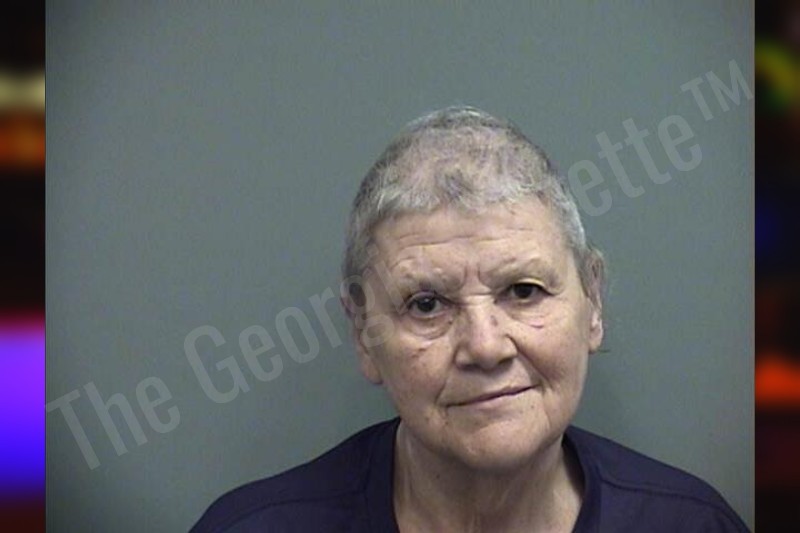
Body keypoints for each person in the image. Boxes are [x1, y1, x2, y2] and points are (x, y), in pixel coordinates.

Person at [191, 106, 748, 532]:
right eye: (426, 304)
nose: (485, 347)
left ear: (593, 304)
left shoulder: (694, 524)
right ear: (363, 334)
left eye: (524, 291)